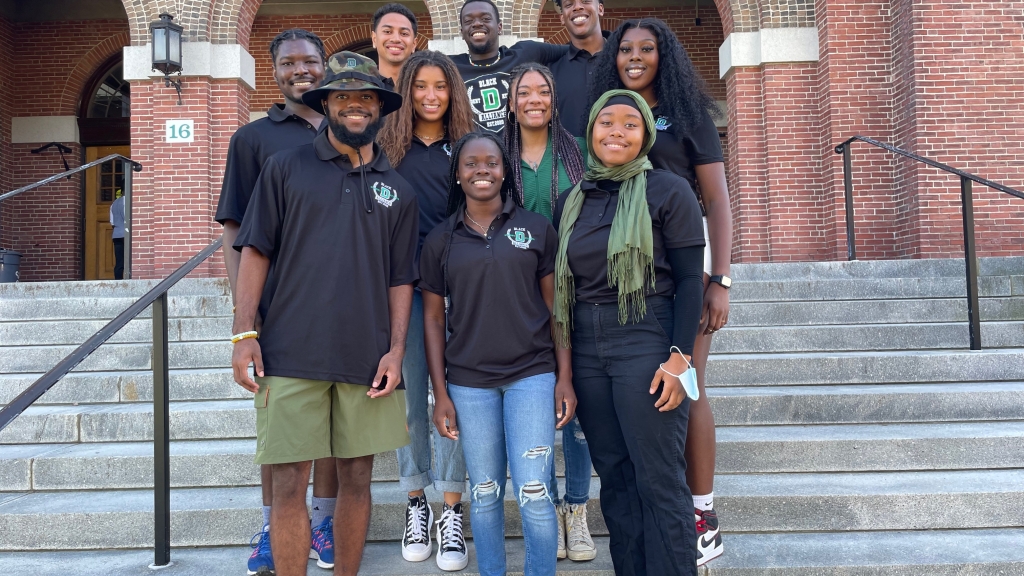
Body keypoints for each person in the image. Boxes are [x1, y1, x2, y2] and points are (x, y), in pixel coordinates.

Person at [231, 52, 417, 576]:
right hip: (289, 353)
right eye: (343, 97)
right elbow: (256, 251)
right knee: (289, 481)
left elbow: (401, 277)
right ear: (326, 104)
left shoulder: (398, 190)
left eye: (366, 98)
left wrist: (398, 350)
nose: (355, 106)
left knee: (357, 478)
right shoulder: (285, 168)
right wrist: (244, 331)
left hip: (367, 359)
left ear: (380, 108)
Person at [590, 18, 732, 566]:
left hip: (681, 274)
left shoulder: (688, 112)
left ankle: (701, 512)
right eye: (625, 48)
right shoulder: (609, 114)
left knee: (689, 384)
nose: (634, 56)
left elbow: (716, 201)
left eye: (647, 48)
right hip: (624, 288)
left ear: (663, 55)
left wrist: (720, 278)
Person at [553, 90, 705, 576]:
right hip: (588, 347)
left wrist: (681, 359)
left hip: (646, 334)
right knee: (615, 479)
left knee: (658, 478)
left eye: (629, 124)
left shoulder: (667, 190)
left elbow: (688, 279)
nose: (616, 132)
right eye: (606, 123)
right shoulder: (570, 201)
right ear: (591, 131)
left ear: (646, 136)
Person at [212, 28, 338, 575]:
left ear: (326, 67)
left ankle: (325, 522)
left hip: (345, 302)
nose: (301, 70)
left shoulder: (352, 128)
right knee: (282, 433)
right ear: (275, 71)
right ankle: (274, 527)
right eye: (289, 63)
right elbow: (234, 229)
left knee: (337, 426)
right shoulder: (253, 138)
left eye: (311, 61)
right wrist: (248, 315)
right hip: (279, 309)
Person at [420, 132, 575, 576]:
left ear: (504, 171)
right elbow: (432, 320)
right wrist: (441, 393)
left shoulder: (536, 228)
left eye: (490, 162)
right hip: (469, 383)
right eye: (471, 164)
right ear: (458, 174)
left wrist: (564, 377)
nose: (482, 170)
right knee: (485, 492)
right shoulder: (440, 241)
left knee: (533, 490)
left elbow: (555, 309)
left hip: (532, 374)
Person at [377, 49, 476, 572]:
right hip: (406, 292)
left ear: (452, 91)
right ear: (408, 90)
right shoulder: (387, 149)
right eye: (421, 86)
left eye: (441, 86)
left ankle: (452, 509)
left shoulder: (468, 147)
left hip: (461, 289)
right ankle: (417, 500)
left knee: (454, 398)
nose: (431, 95)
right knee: (412, 402)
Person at [502, 62, 596, 563]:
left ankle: (576, 511)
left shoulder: (581, 152)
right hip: (516, 298)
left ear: (554, 101)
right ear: (511, 101)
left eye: (543, 91)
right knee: (537, 409)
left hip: (579, 290)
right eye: (524, 91)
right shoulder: (497, 154)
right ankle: (549, 507)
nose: (534, 99)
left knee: (574, 408)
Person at [450, 0, 569, 134]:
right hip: (476, 152)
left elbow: (574, 52)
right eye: (468, 21)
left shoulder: (526, 53)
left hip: (520, 152)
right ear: (462, 31)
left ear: (499, 27)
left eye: (485, 18)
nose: (477, 23)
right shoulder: (450, 67)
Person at [548, 0, 608, 136]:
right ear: (562, 18)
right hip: (568, 156)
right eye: (569, 4)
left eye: (585, 1)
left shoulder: (624, 61)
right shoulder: (549, 70)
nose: (578, 7)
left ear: (600, 9)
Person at [372, 3, 418, 85]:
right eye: (387, 31)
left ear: (414, 44)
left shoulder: (424, 91)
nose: (396, 39)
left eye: (404, 33)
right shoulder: (362, 89)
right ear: (374, 39)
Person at [109, 190, 125, 280]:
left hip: (117, 235)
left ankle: (118, 281)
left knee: (119, 261)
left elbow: (112, 222)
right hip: (128, 235)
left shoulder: (114, 204)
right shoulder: (130, 202)